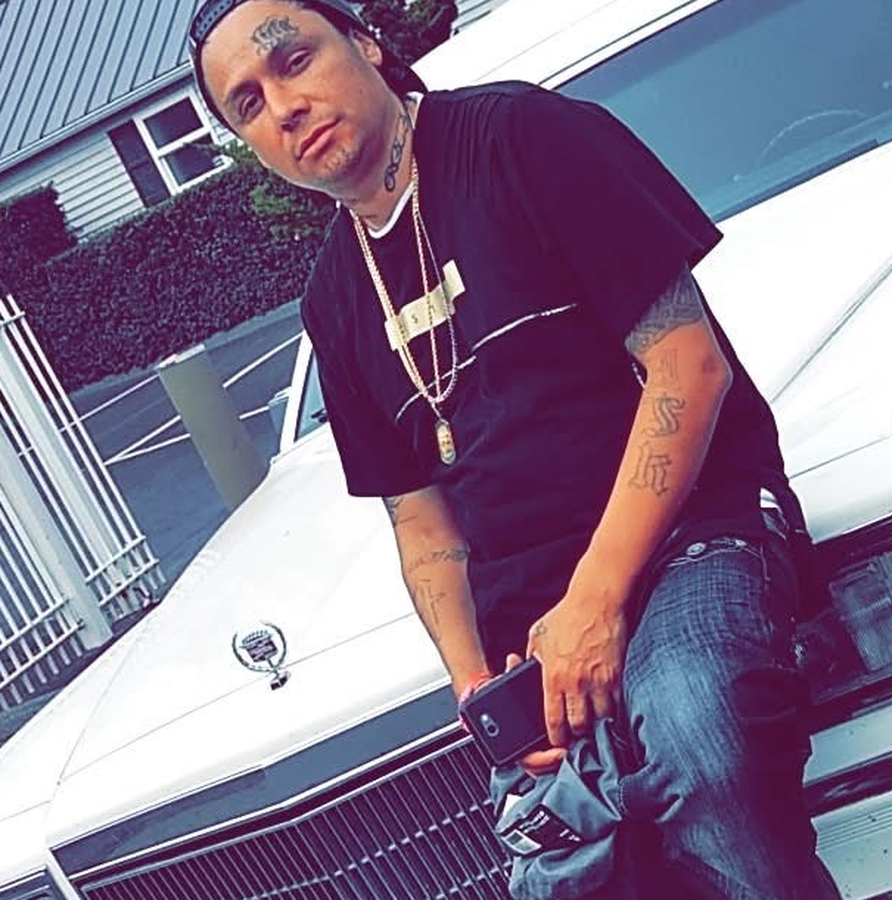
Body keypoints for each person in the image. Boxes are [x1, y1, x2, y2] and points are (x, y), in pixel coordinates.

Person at [190, 1, 840, 897]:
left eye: (294, 60)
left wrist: (595, 602)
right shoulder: (334, 301)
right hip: (531, 633)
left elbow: (688, 367)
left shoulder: (519, 137)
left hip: (693, 536)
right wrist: (475, 691)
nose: (285, 106)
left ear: (366, 43)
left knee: (695, 726)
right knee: (564, 861)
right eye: (249, 104)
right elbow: (421, 523)